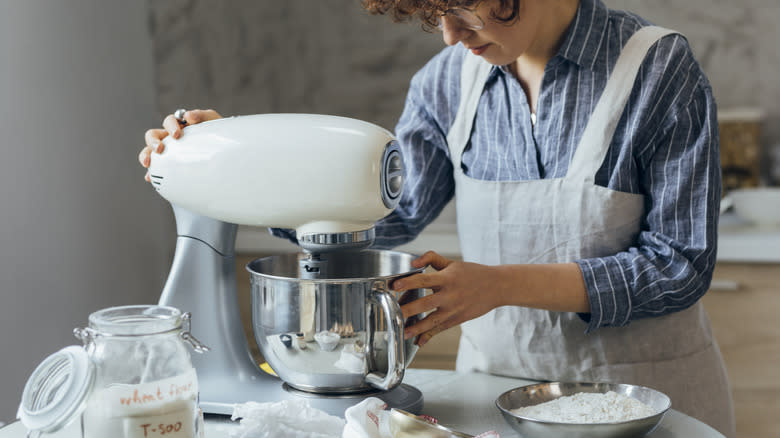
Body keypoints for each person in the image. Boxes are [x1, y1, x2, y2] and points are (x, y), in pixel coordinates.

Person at [139, 0, 734, 435]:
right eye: (434, 16)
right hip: (497, 401)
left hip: (645, 405)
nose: (451, 36)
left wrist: (496, 285)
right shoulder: (447, 83)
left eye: (462, 8)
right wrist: (225, 159)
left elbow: (677, 267)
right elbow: (382, 220)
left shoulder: (658, 71)